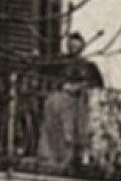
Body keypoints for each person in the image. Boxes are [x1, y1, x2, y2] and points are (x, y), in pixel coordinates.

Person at [37, 33, 105, 169]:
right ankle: (54, 154)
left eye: (76, 46)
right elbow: (47, 75)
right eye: (71, 45)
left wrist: (80, 87)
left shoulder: (88, 66)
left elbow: (97, 85)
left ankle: (78, 154)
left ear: (81, 47)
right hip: (62, 101)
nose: (73, 48)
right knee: (53, 106)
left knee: (76, 125)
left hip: (80, 103)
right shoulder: (60, 63)